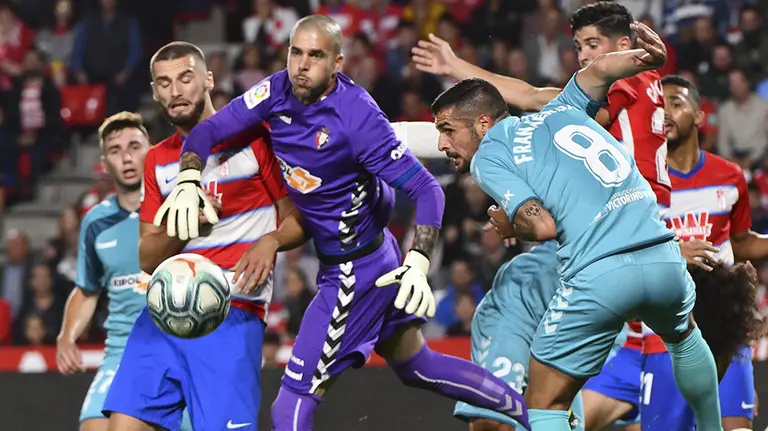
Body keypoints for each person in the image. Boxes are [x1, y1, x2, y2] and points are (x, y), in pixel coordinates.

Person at [155, 15, 532, 430]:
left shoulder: (358, 118)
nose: (301, 65)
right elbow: (209, 131)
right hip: (366, 256)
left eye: (315, 55)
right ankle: (533, 414)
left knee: (290, 405)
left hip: (355, 271)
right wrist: (188, 178)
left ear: (337, 63)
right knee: (418, 365)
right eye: (296, 52)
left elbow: (428, 190)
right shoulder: (276, 90)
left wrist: (419, 261)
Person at [411, 4, 715, 429]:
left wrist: (510, 220)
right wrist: (651, 58)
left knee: (539, 383)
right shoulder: (572, 106)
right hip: (657, 243)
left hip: (603, 261)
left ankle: (495, 406)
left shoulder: (491, 154)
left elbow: (542, 225)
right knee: (684, 338)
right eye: (578, 47)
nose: (583, 55)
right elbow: (577, 82)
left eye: (592, 45)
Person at [102, 42, 299, 431]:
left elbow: (299, 218)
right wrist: (186, 224)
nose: (176, 91)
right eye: (164, 83)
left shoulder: (256, 140)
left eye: (185, 78)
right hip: (162, 316)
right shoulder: (157, 159)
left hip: (233, 312)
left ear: (208, 79)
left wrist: (271, 241)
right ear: (155, 92)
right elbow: (147, 256)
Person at [638, 74, 768, 430]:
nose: (665, 112)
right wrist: (674, 252)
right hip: (666, 333)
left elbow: (741, 243)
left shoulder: (730, 176)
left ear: (698, 116)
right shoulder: (640, 182)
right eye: (658, 106)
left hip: (725, 330)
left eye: (675, 103)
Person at [55, 112, 152, 431]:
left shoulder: (177, 206)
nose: (126, 157)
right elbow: (87, 290)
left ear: (151, 151)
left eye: (134, 146)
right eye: (115, 150)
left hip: (178, 347)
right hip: (122, 351)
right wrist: (67, 337)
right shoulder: (96, 222)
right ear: (105, 163)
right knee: (93, 426)